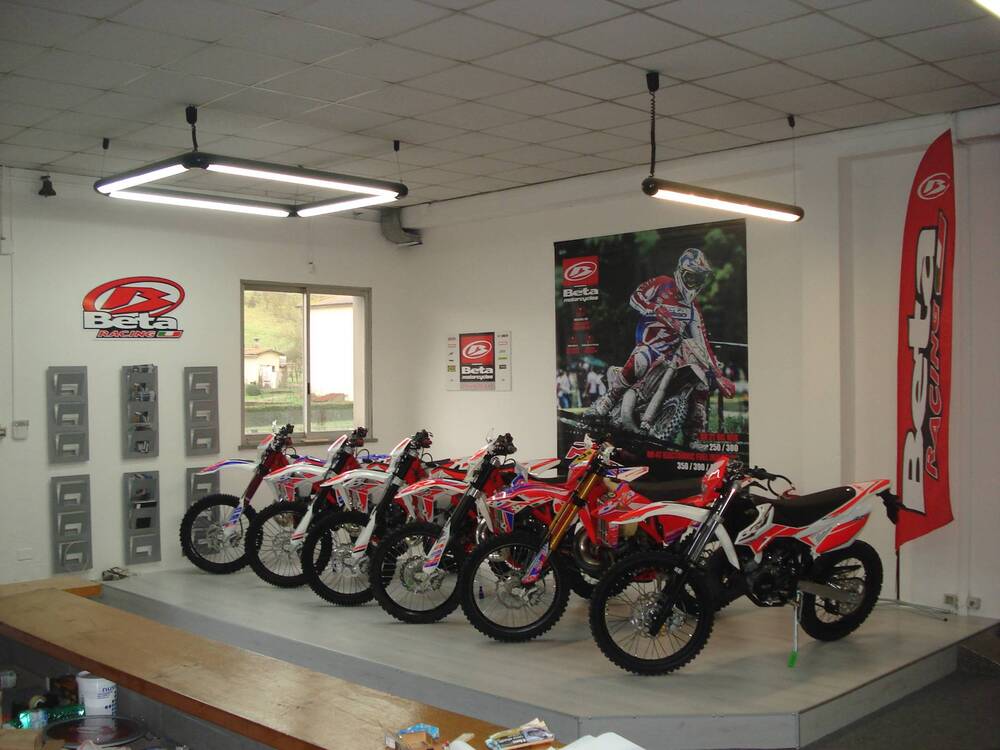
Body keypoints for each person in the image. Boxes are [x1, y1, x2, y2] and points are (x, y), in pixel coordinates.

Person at [591, 248, 735, 425]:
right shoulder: (662, 283)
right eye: (691, 277)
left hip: (673, 354)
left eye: (698, 279)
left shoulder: (693, 306)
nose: (694, 283)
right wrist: (654, 309)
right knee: (640, 360)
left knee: (701, 377)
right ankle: (610, 398)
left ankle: (695, 428)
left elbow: (702, 341)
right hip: (650, 346)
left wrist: (718, 375)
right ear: (681, 272)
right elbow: (635, 297)